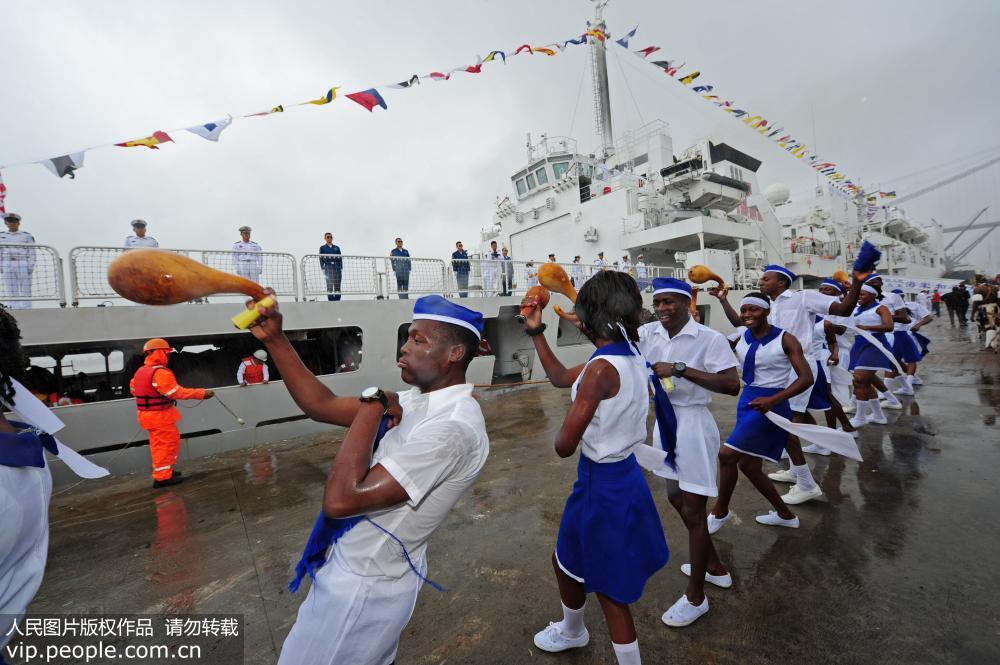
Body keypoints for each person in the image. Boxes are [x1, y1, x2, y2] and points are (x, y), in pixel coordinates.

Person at [247, 292, 489, 665]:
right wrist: (276, 340)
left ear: (455, 354)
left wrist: (374, 403)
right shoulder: (415, 401)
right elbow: (321, 405)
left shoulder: (451, 430)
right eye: (407, 337)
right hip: (358, 567)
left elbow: (342, 499)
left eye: (418, 340)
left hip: (362, 589)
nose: (404, 347)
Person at [520, 271, 668, 665]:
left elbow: (564, 446)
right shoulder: (629, 354)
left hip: (599, 483)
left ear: (589, 319)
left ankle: (588, 638)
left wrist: (576, 418)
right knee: (565, 561)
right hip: (625, 476)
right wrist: (536, 331)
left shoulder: (600, 370)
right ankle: (572, 630)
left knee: (610, 590)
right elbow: (558, 377)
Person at [711, 263, 868, 505]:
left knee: (791, 421)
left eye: (766, 278)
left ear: (782, 282)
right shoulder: (769, 305)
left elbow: (844, 309)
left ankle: (806, 480)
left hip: (797, 368)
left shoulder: (802, 297)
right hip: (776, 367)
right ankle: (800, 472)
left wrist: (856, 282)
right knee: (789, 422)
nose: (761, 281)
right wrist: (723, 300)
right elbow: (742, 323)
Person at [638, 278, 740, 627]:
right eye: (658, 302)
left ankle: (696, 598)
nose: (662, 309)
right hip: (664, 421)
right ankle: (714, 566)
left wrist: (680, 369)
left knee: (694, 510)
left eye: (669, 302)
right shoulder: (648, 333)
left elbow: (731, 384)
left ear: (686, 303)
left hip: (693, 423)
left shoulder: (708, 338)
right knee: (676, 498)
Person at [710, 292, 814, 534]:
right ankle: (786, 515)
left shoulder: (786, 339)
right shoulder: (740, 336)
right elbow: (713, 349)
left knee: (727, 455)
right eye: (744, 310)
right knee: (749, 466)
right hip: (747, 400)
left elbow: (806, 378)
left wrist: (772, 400)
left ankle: (720, 512)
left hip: (772, 403)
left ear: (767, 311)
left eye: (753, 309)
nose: (747, 315)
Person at [130, 338, 215, 488]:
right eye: (166, 353)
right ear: (160, 353)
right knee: (165, 446)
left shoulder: (140, 372)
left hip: (148, 415)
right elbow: (176, 392)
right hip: (160, 416)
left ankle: (166, 471)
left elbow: (134, 390)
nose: (168, 356)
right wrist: (201, 393)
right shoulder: (160, 373)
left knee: (162, 444)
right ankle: (162, 478)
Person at [846, 284, 895, 427]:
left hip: (874, 345)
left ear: (873, 295)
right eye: (857, 295)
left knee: (860, 380)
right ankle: (879, 416)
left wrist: (867, 327)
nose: (859, 297)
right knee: (864, 381)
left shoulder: (880, 308)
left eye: (862, 294)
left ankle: (860, 417)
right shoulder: (856, 310)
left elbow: (889, 326)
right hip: (859, 345)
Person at [0, 213, 36, 310]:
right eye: (9, 221)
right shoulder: (1, 235)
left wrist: (31, 265)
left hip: (22, 262)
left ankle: (26, 307)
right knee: (10, 286)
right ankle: (13, 307)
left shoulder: (26, 236)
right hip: (7, 262)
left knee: (25, 286)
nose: (12, 223)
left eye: (14, 221)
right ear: (6, 223)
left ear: (18, 223)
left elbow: (32, 252)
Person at [319, 232, 343, 302]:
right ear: (325, 238)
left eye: (331, 237)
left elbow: (340, 258)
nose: (329, 238)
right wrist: (323, 268)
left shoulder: (337, 248)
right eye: (328, 237)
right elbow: (321, 259)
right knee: (329, 285)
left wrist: (340, 267)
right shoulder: (322, 248)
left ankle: (337, 300)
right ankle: (331, 301)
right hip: (328, 268)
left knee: (337, 285)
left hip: (337, 268)